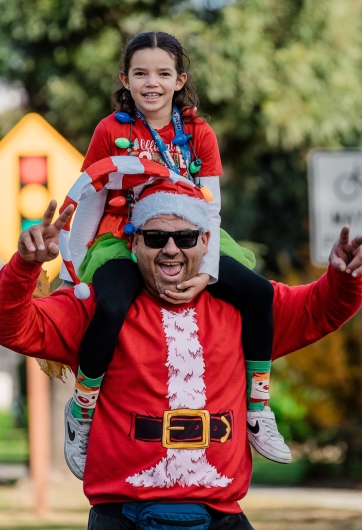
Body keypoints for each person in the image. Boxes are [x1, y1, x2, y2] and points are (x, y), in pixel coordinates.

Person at [0, 176, 362, 529]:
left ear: (206, 242)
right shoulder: (98, 309)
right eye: (154, 239)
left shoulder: (242, 310)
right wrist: (24, 268)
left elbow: (319, 309)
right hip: (124, 515)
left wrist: (344, 276)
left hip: (222, 515)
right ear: (132, 243)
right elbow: (7, 326)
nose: (170, 250)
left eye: (185, 238)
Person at [59, 30, 288, 477]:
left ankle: (258, 406)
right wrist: (72, 270)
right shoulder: (110, 130)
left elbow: (213, 209)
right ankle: (82, 412)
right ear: (124, 79)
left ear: (180, 79)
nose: (152, 83)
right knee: (110, 305)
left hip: (195, 235)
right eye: (141, 73)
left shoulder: (200, 133)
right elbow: (91, 199)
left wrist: (209, 270)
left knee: (260, 296)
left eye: (163, 73)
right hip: (126, 237)